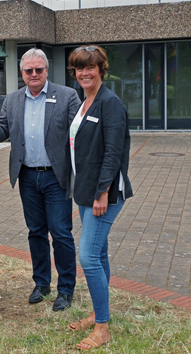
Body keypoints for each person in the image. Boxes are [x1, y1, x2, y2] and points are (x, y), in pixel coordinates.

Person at [0, 48, 81, 311]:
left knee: (60, 233)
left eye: (39, 69)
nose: (34, 74)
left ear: (47, 71)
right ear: (22, 73)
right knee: (36, 232)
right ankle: (41, 283)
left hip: (56, 177)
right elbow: (2, 134)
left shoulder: (67, 96)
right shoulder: (12, 100)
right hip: (27, 177)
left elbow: (78, 135)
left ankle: (66, 288)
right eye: (29, 70)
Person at [66, 45, 133, 350]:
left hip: (104, 193)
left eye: (90, 68)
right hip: (86, 191)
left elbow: (114, 153)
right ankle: (98, 313)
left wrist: (102, 192)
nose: (84, 73)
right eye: (79, 69)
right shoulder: (85, 101)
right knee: (100, 254)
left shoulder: (110, 103)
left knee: (88, 257)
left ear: (101, 69)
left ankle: (103, 328)